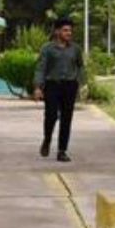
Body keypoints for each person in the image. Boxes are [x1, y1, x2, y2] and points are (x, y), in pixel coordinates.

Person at [32, 17, 84, 162]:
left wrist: (81, 83)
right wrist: (37, 87)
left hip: (70, 86)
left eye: (70, 31)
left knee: (67, 118)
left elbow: (80, 66)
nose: (69, 33)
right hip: (52, 85)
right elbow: (40, 68)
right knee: (51, 115)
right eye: (65, 30)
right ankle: (47, 138)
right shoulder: (47, 48)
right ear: (57, 32)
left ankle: (62, 150)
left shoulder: (75, 49)